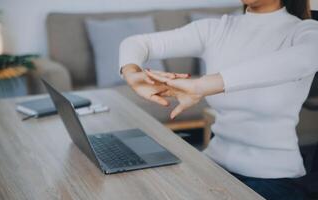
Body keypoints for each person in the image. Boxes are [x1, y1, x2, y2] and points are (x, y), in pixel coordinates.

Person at [119, 0, 318, 199]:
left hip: (275, 179)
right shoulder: (217, 29)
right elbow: (136, 43)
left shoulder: (304, 31)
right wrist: (132, 72)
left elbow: (305, 58)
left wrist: (203, 85)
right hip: (213, 166)